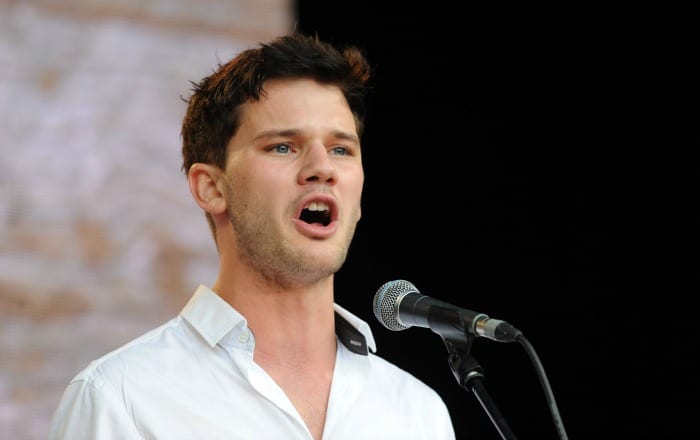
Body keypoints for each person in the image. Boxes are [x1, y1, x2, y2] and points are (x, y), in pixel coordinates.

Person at [48, 32, 456, 440]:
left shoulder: (418, 413)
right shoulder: (120, 400)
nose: (322, 168)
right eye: (282, 147)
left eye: (341, 150)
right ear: (211, 188)